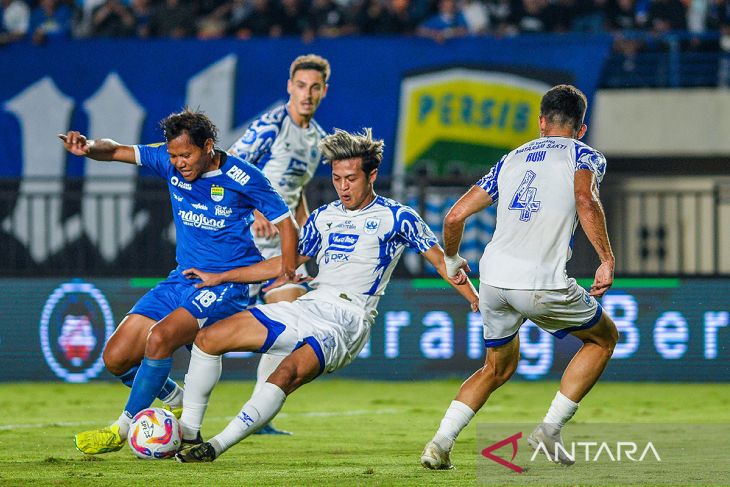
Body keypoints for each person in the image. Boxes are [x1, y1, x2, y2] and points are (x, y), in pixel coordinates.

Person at [174, 128, 480, 462]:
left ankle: (216, 446)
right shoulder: (323, 217)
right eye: (337, 179)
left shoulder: (398, 217)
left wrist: (475, 299)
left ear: (372, 174)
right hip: (308, 305)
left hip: (347, 321)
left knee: (285, 374)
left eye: (351, 178)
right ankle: (190, 432)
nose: (344, 187)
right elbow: (286, 264)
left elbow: (442, 263)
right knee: (208, 338)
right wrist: (220, 276)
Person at [61, 109, 298, 455]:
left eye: (186, 155)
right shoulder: (169, 160)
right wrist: (88, 146)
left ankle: (122, 428)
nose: (179, 163)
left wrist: (287, 267)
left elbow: (286, 223)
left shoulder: (244, 177)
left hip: (225, 286)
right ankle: (174, 396)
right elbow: (114, 150)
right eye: (173, 155)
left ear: (208, 146)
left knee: (160, 338)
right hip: (182, 278)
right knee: (116, 358)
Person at [420, 84, 619, 469]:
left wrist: (450, 259)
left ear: (542, 123)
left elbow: (454, 216)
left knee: (496, 367)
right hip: (540, 282)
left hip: (493, 281)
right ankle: (550, 428)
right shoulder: (585, 154)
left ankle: (439, 444)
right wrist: (606, 258)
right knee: (603, 339)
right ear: (581, 128)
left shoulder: (511, 159)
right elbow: (584, 198)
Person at [222, 53, 329, 435]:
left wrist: (305, 233)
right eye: (301, 86)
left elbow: (297, 192)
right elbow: (227, 167)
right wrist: (256, 210)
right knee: (201, 323)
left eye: (315, 87)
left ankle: (259, 413)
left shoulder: (317, 140)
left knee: (293, 322)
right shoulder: (270, 126)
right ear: (290, 87)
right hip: (242, 240)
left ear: (323, 91)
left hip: (279, 247)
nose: (307, 94)